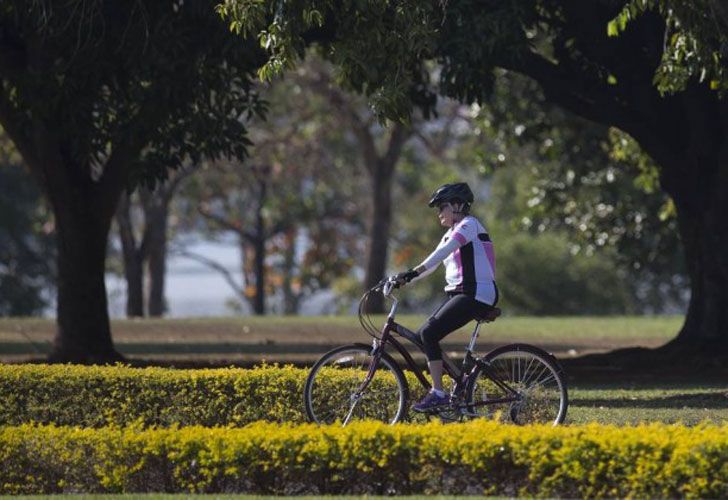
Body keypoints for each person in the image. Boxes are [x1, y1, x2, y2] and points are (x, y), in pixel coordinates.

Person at [391, 182, 498, 412]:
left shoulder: (469, 225)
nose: (439, 212)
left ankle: (438, 393)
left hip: (476, 293)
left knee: (429, 333)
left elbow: (443, 252)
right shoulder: (451, 232)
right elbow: (432, 262)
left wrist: (411, 273)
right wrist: (405, 278)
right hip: (462, 293)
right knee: (423, 336)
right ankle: (461, 382)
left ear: (458, 205)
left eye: (443, 206)